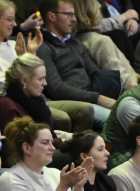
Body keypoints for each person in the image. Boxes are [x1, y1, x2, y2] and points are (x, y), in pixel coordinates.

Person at [38, 0, 120, 128]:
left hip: (91, 97)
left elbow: (94, 72)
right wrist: (97, 98)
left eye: (74, 15)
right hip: (74, 103)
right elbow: (56, 88)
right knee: (118, 122)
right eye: (69, 14)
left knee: (133, 113)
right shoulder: (42, 47)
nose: (74, 19)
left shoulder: (74, 43)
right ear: (51, 16)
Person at [0, 53, 93, 135]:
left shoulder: (36, 101)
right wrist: (61, 143)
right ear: (24, 80)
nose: (45, 83)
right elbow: (23, 149)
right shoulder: (8, 108)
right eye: (40, 79)